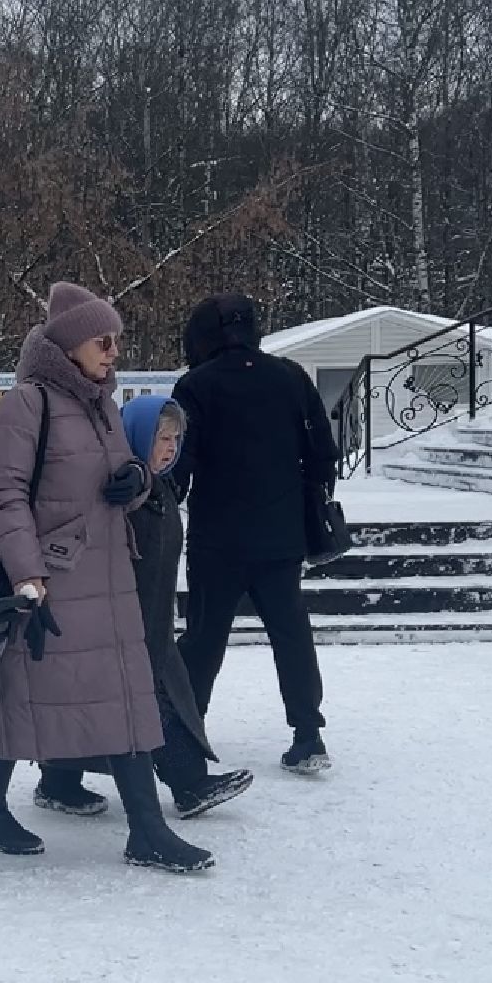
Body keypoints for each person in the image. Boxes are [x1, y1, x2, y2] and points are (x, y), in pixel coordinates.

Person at [0, 281, 214, 874]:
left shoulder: (100, 402)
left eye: (116, 340)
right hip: (55, 580)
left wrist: (137, 482)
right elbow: (3, 496)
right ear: (72, 344)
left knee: (124, 696)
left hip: (111, 575)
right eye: (104, 340)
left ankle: (146, 831)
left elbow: (120, 474)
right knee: (16, 691)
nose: (114, 350)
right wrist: (26, 575)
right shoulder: (29, 403)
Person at [32, 396, 256, 819]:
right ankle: (189, 784)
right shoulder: (121, 486)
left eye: (175, 438)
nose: (170, 447)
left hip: (151, 617)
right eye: (161, 437)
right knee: (144, 699)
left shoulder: (160, 485)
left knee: (136, 698)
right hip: (116, 618)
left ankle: (58, 781)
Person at [173, 292, 340, 774]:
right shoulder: (290, 377)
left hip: (217, 537)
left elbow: (182, 461)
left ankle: (187, 731)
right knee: (291, 633)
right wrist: (305, 496)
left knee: (204, 637)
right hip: (281, 535)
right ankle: (308, 735)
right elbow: (323, 452)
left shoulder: (195, 385)